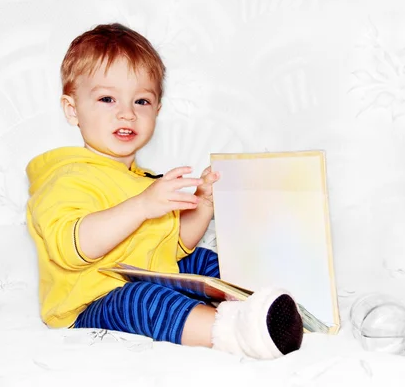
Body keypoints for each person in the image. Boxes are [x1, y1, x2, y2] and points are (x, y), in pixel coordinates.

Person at [26, 23, 303, 360]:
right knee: (140, 301)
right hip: (90, 302)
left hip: (146, 275)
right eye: (107, 98)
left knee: (202, 259)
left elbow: (173, 247)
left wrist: (202, 206)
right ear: (73, 109)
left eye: (141, 100)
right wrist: (141, 206)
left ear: (156, 111)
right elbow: (73, 248)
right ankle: (235, 330)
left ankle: (274, 299)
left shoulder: (142, 180)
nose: (126, 112)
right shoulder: (66, 178)